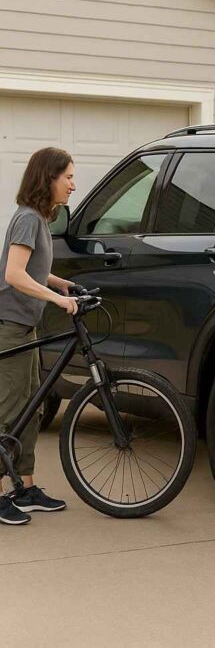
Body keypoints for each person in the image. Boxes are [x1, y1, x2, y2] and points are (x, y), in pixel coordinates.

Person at [0, 147, 79, 525]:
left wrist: (61, 284)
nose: (72, 186)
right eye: (67, 178)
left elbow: (33, 269)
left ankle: (24, 487)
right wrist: (54, 301)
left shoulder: (39, 221)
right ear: (47, 178)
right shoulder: (27, 219)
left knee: (30, 409)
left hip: (24, 326)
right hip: (9, 327)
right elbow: (14, 274)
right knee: (9, 410)